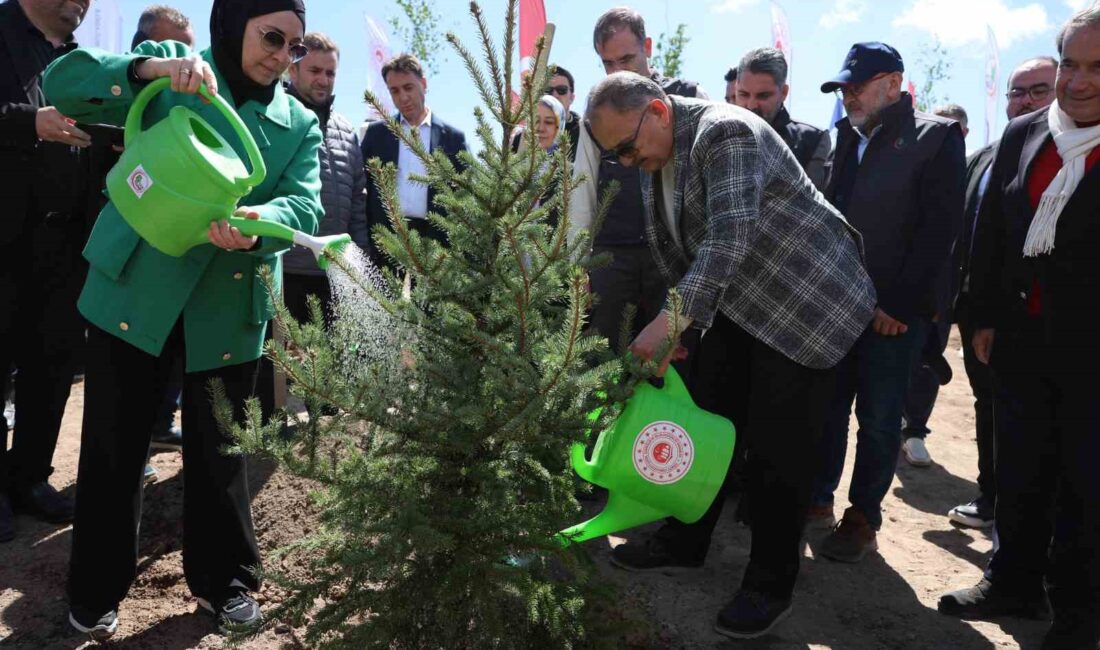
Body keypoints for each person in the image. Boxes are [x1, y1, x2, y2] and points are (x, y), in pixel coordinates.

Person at [43, 0, 322, 639]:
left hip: (226, 306)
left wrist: (257, 232)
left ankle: (224, 583)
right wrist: (145, 70)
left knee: (220, 452)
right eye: (272, 37)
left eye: (295, 46)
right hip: (135, 293)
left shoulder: (297, 121)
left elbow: (304, 206)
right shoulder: (176, 70)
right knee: (114, 446)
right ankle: (95, 589)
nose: (283, 56)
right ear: (231, 25)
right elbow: (65, 86)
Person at [586, 71, 875, 639]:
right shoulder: (652, 160)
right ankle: (685, 540)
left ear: (659, 112)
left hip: (803, 306)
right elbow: (676, 250)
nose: (622, 161)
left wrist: (669, 322)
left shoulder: (726, 132)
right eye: (611, 153)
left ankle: (770, 584)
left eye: (625, 146)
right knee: (705, 422)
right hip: (738, 307)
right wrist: (685, 335)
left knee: (777, 453)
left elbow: (728, 235)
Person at [939, 9, 1100, 648]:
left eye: (1098, 67)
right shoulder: (1026, 133)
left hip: (1092, 349)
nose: (1081, 81)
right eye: (1071, 64)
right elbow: (993, 233)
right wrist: (980, 314)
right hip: (1020, 340)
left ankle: (1081, 613)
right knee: (1021, 466)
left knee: (1086, 482)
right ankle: (1013, 580)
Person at [808, 42, 965, 562]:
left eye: (859, 86)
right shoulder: (846, 138)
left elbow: (938, 231)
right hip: (839, 309)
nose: (848, 96)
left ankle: (862, 518)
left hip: (893, 317)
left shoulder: (935, 138)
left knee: (878, 419)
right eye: (844, 88)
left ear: (893, 84)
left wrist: (898, 304)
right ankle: (817, 500)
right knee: (828, 410)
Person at [946, 56, 1057, 529]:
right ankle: (991, 498)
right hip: (979, 309)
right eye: (1017, 91)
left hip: (1044, 314)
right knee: (986, 403)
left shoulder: (1069, 155)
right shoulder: (983, 158)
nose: (1025, 100)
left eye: (1038, 90)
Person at [0, 0, 92, 544]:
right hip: (4, 238)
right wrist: (29, 122)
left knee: (52, 364)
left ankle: (30, 477)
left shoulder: (81, 62)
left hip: (65, 245)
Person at [569, 6, 708, 356]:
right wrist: (578, 267)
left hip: (675, 256)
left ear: (647, 46)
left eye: (626, 58)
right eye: (607, 64)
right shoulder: (595, 114)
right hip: (612, 260)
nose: (617, 71)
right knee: (603, 363)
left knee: (676, 362)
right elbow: (582, 190)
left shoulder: (689, 96)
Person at [127, 4, 196, 486]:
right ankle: (128, 453)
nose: (184, 60)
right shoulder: (131, 97)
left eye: (188, 49)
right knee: (133, 359)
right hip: (131, 253)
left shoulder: (189, 104)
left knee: (173, 350)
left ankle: (156, 428)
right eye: (172, 48)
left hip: (178, 246)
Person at [898, 102, 970, 468]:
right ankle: (897, 420)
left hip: (943, 293)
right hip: (904, 288)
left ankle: (915, 432)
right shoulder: (912, 167)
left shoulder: (974, 172)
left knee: (929, 363)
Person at [284, 31, 367, 323]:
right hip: (285, 273)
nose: (323, 79)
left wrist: (359, 263)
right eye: (315, 70)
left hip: (335, 273)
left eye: (330, 72)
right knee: (284, 365)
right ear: (292, 69)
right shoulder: (276, 118)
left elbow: (357, 205)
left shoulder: (346, 130)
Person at [359, 53, 467, 272]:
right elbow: (363, 189)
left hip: (436, 246)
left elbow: (464, 196)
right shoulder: (375, 135)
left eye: (408, 87)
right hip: (386, 241)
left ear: (423, 84)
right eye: (395, 91)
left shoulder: (453, 138)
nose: (403, 97)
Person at [734, 47, 831, 190]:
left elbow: (809, 206)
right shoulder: (714, 135)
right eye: (744, 94)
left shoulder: (812, 141)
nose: (751, 105)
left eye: (763, 96)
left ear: (784, 93)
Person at [513, 65, 581, 161]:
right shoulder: (522, 138)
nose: (555, 95)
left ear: (572, 98)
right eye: (547, 90)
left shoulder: (585, 133)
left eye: (562, 90)